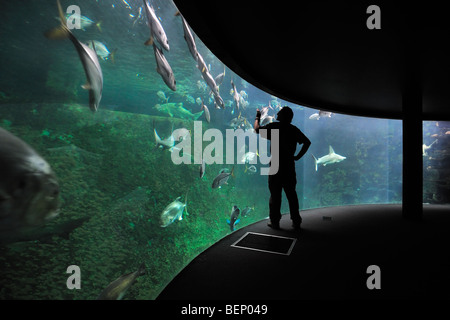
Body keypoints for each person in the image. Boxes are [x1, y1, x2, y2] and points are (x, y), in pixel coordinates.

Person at [254, 106, 311, 230]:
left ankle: (274, 221)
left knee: (275, 195)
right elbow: (307, 142)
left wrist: (257, 117)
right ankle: (296, 221)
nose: (277, 113)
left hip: (275, 165)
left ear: (283, 116)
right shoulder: (293, 129)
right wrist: (297, 157)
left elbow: (257, 130)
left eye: (280, 112)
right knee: (291, 194)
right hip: (289, 166)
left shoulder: (274, 126)